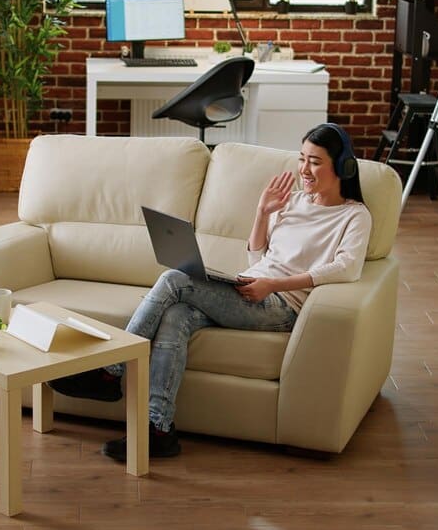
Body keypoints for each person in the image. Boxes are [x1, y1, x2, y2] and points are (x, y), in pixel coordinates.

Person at [49, 123, 373, 461]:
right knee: (177, 314)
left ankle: (110, 370)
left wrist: (273, 285)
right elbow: (258, 256)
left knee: (175, 279)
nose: (304, 170)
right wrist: (263, 211)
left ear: (342, 165)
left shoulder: (354, 216)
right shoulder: (290, 201)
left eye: (316, 162)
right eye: (302, 159)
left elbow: (346, 268)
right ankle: (158, 430)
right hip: (251, 286)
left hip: (281, 306)